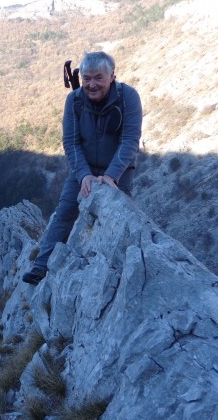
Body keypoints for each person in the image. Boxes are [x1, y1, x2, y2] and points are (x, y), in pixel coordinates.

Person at [22, 51, 142, 285]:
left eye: (98, 77)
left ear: (112, 76)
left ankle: (113, 272)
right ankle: (41, 266)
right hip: (84, 166)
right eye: (86, 78)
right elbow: (71, 142)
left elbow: (129, 140)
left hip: (119, 168)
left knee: (115, 216)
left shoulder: (128, 97)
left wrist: (112, 176)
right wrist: (84, 174)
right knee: (65, 211)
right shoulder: (75, 100)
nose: (91, 84)